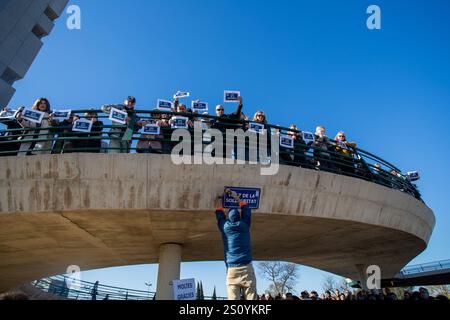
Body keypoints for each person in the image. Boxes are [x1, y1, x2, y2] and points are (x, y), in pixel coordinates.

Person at [214, 189, 257, 300]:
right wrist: (236, 197)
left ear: (228, 217)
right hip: (246, 267)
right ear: (239, 216)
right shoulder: (244, 224)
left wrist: (220, 196)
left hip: (232, 269)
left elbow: (218, 210)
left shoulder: (224, 227)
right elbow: (245, 208)